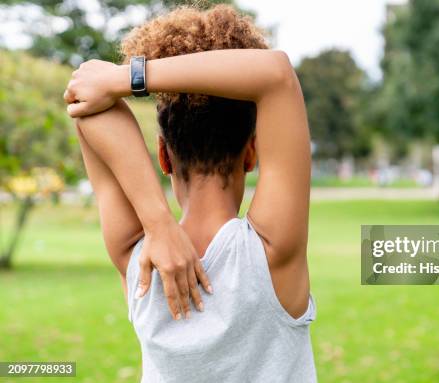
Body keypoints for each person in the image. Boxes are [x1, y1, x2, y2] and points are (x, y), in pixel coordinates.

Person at [63, 5, 315, 382]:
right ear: (251, 153)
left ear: (163, 155)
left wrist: (158, 223)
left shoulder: (136, 256)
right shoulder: (272, 252)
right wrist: (126, 79)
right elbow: (276, 74)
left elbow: (86, 103)